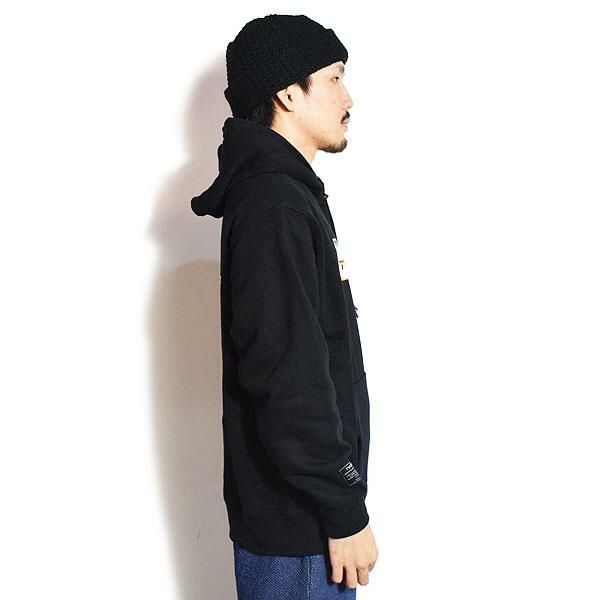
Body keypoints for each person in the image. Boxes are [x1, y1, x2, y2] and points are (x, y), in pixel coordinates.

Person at [191, 13, 378, 598]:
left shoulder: (285, 195)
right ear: (288, 95)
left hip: (303, 520)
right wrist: (344, 507)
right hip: (300, 532)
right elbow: (287, 378)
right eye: (334, 78)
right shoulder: (274, 205)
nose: (348, 97)